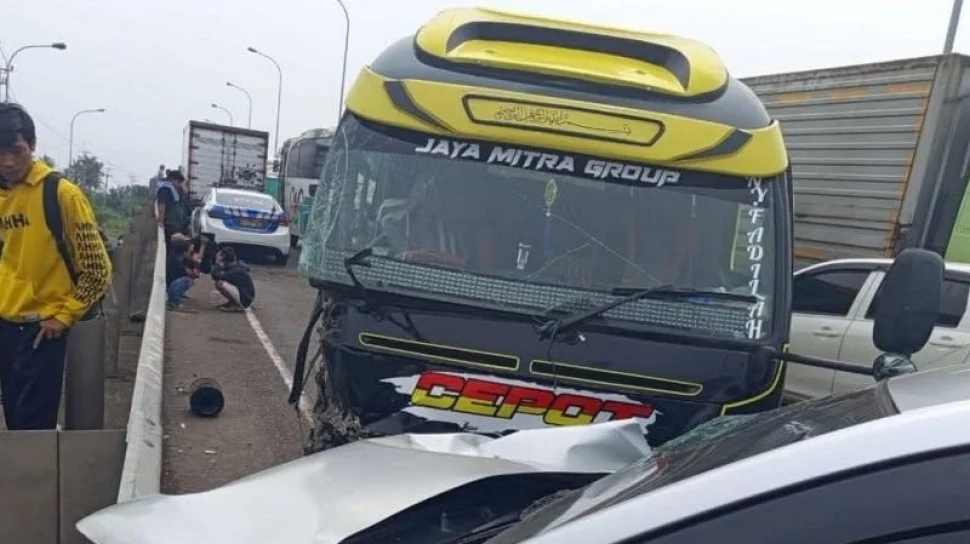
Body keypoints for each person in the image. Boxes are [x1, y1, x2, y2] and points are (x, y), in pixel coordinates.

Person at [0, 102, 112, 430]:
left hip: (42, 331)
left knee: (33, 429)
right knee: (14, 421)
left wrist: (62, 317)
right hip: (6, 325)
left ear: (32, 147)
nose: (7, 161)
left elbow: (98, 270)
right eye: (0, 152)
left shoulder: (60, 194)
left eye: (16, 152)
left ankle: (38, 481)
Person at [211, 246, 255, 312]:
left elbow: (215, 276)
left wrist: (217, 263)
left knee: (220, 283)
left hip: (245, 298)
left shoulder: (235, 270)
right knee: (222, 282)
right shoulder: (238, 264)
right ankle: (232, 302)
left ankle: (237, 305)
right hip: (246, 296)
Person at [166, 233, 200, 310]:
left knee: (188, 278)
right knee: (188, 280)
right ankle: (174, 302)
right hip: (170, 284)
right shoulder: (177, 259)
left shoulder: (173, 254)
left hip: (171, 283)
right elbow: (193, 274)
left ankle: (176, 297)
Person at [155, 169, 188, 246]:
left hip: (174, 225)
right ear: (172, 180)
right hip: (168, 226)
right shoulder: (165, 189)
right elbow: (162, 207)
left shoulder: (174, 191)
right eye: (179, 182)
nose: (180, 185)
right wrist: (161, 223)